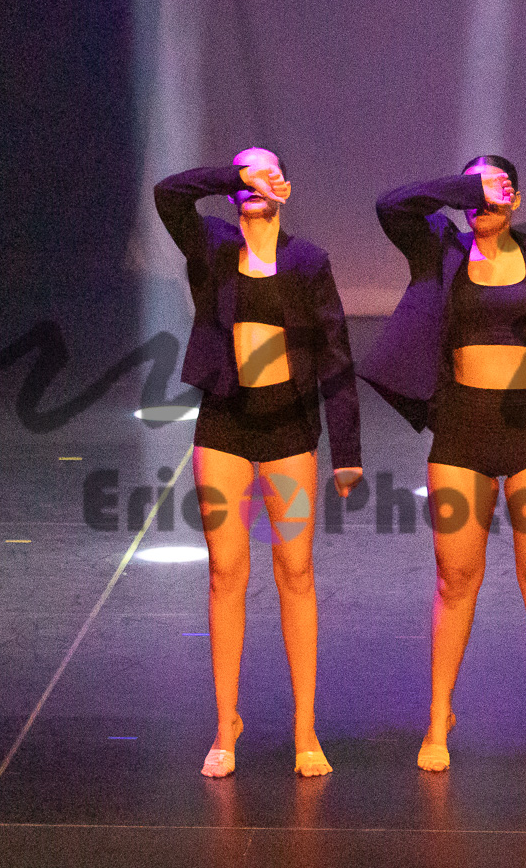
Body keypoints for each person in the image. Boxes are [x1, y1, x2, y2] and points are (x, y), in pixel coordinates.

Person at [360, 154, 526, 774]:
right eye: (472, 192)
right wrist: (466, 188)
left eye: (495, 191)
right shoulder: (441, 250)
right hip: (463, 430)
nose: (481, 202)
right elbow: (392, 205)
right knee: (455, 579)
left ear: (517, 199)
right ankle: (438, 713)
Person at [154, 148, 363, 778]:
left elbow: (335, 354)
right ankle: (226, 725)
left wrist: (347, 452)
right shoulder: (213, 246)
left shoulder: (308, 261)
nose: (253, 181)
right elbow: (169, 194)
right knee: (226, 571)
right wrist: (233, 174)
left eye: (266, 172)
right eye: (243, 174)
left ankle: (305, 729)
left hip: (288, 431)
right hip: (224, 425)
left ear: (286, 190)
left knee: (295, 571)